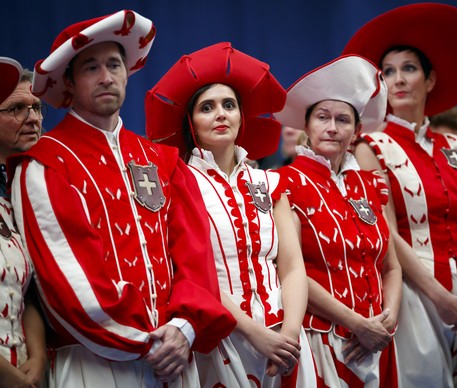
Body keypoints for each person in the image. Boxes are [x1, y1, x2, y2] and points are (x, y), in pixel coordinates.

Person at [9, 10, 235, 387]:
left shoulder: (161, 160)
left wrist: (183, 329)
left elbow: (196, 254)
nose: (105, 76)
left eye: (114, 64)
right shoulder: (45, 164)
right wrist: (150, 343)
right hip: (94, 361)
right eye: (90, 68)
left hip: (176, 356)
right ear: (69, 82)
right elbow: (67, 282)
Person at [343, 3, 457, 387]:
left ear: (430, 81)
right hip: (417, 299)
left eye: (409, 69)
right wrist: (440, 297)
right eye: (388, 71)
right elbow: (388, 234)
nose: (398, 79)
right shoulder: (371, 146)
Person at [145, 41, 316, 387]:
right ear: (190, 123)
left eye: (229, 105)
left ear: (242, 116)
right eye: (207, 107)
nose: (221, 113)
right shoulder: (177, 181)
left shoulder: (270, 181)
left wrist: (291, 334)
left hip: (286, 341)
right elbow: (193, 273)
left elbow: (293, 266)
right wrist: (255, 333)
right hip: (221, 339)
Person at [276, 55, 402, 387]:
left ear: (357, 130)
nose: (332, 128)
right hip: (321, 338)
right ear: (306, 126)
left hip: (377, 339)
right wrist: (357, 324)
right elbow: (290, 270)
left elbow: (390, 267)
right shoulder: (283, 182)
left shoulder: (372, 184)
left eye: (343, 120)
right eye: (322, 117)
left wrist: (385, 323)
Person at [0, 58, 46, 387]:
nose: (32, 118)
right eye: (17, 109)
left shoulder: (37, 188)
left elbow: (28, 292)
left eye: (37, 107)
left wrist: (39, 356)